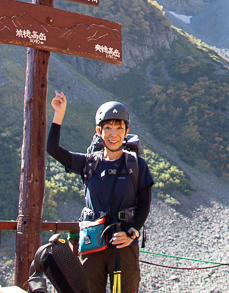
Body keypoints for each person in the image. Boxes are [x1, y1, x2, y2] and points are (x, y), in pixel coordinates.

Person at [47, 91, 153, 293]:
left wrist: (132, 232)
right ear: (99, 131)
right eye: (108, 128)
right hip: (92, 245)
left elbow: (145, 204)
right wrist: (58, 114)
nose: (113, 134)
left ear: (126, 130)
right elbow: (53, 149)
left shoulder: (138, 165)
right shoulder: (88, 163)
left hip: (123, 246)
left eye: (119, 128)